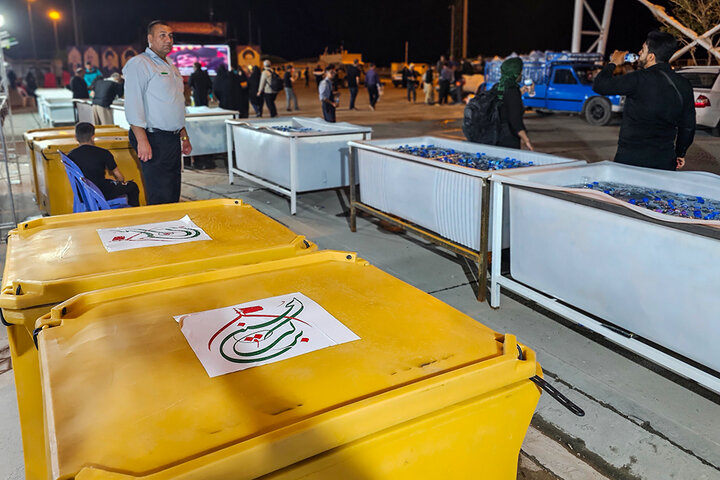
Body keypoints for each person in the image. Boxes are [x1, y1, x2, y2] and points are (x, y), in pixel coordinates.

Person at [593, 31, 695, 171]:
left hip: (631, 160)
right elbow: (688, 126)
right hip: (664, 160)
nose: (639, 52)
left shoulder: (638, 79)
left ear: (651, 56)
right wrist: (680, 153)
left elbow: (599, 85)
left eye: (643, 50)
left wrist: (613, 63)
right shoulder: (684, 84)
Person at [123, 20, 192, 205]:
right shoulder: (140, 64)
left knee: (172, 189)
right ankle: (160, 230)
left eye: (170, 36)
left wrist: (184, 136)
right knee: (159, 193)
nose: (168, 39)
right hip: (152, 138)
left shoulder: (169, 64)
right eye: (162, 35)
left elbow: (175, 102)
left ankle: (171, 228)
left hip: (171, 138)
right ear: (149, 39)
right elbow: (133, 104)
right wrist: (142, 140)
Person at [68, 122, 140, 207]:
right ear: (93, 137)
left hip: (82, 194)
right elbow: (119, 176)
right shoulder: (103, 153)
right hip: (100, 192)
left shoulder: (70, 155)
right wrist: (120, 183)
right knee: (132, 187)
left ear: (76, 138)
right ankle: (134, 213)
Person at [495, 57, 533, 150]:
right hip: (507, 139)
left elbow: (505, 102)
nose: (521, 74)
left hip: (494, 136)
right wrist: (526, 139)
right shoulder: (512, 91)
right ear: (515, 74)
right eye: (520, 71)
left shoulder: (497, 86)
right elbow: (515, 120)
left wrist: (520, 92)